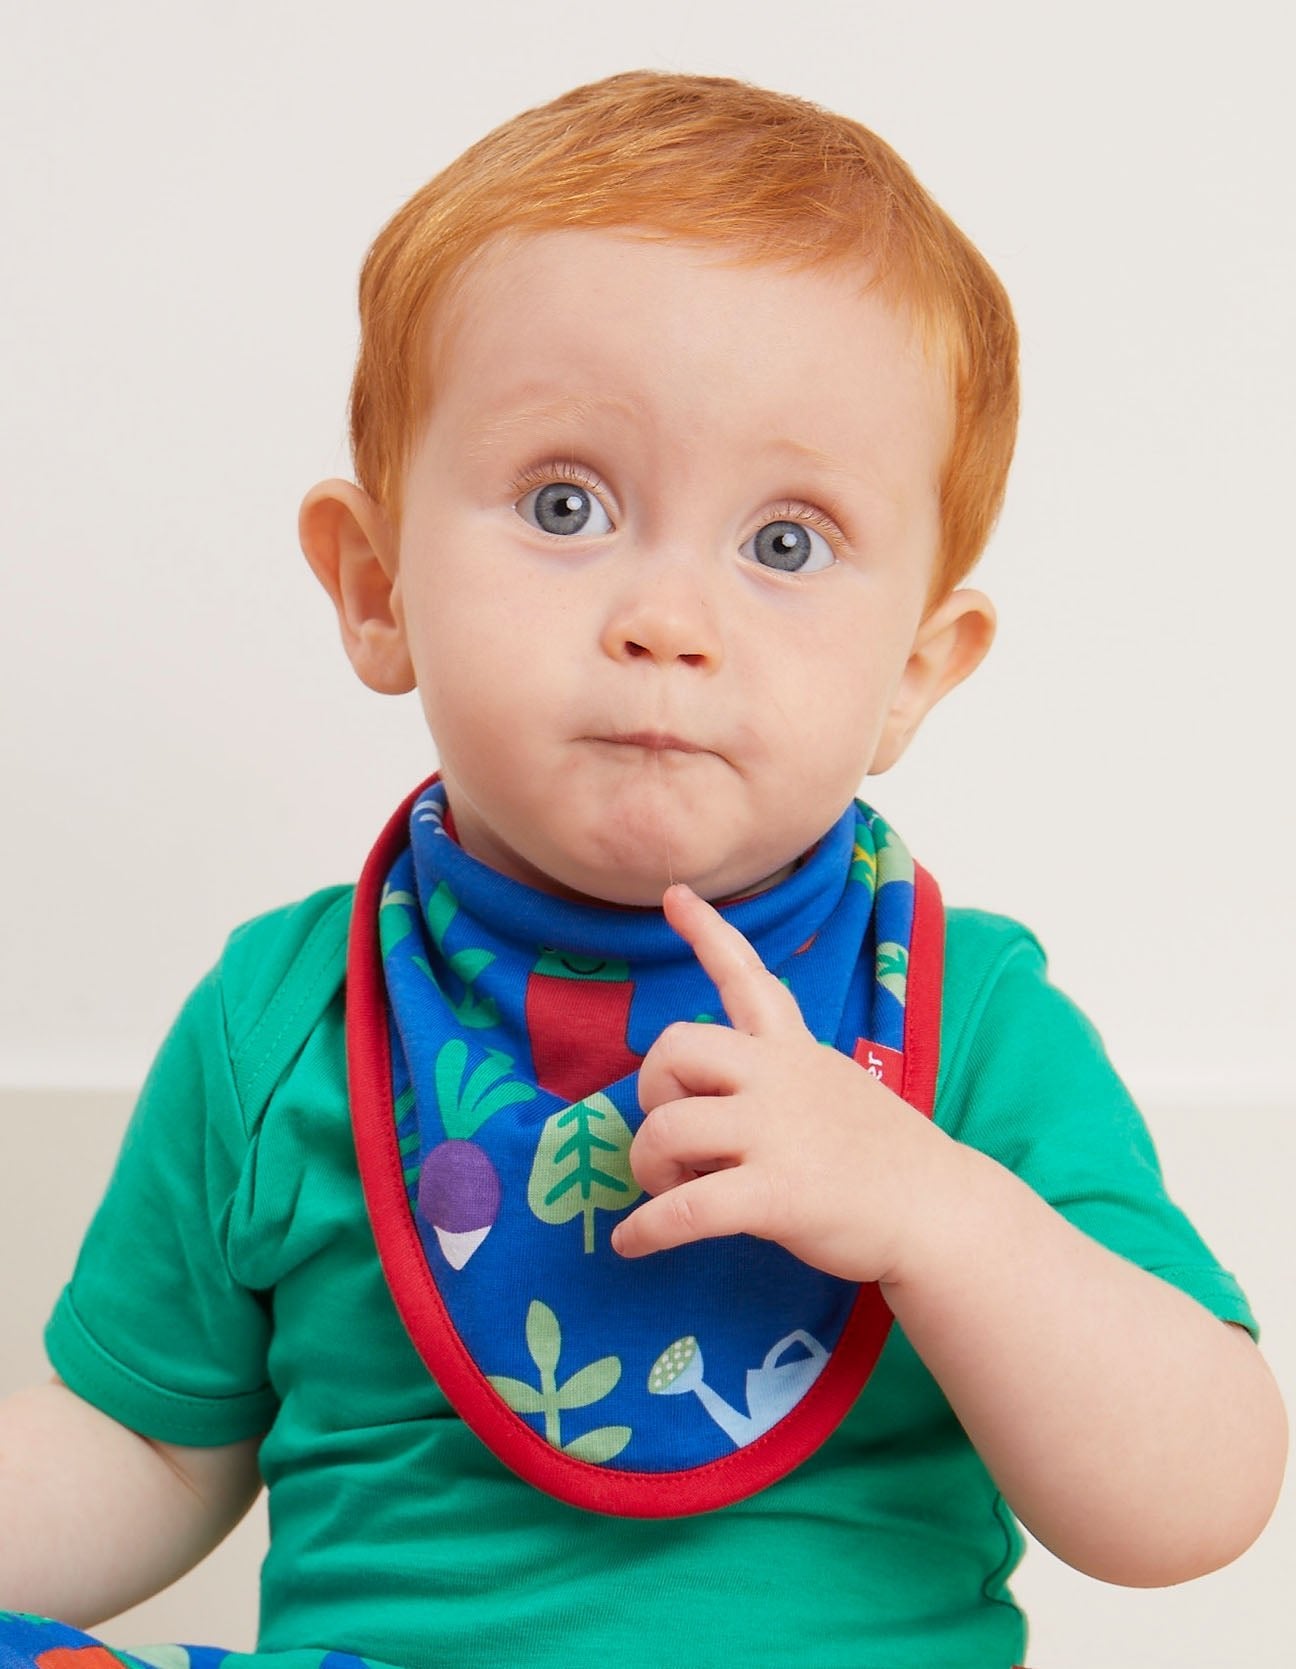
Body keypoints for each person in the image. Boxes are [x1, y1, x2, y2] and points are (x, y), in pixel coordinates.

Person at [0, 70, 1285, 1669]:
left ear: (916, 673)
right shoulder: (284, 1023)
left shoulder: (967, 1023)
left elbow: (1200, 1494)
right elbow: (144, 1448)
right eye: (566, 503)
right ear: (377, 588)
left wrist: (935, 1212)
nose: (667, 616)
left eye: (787, 542)